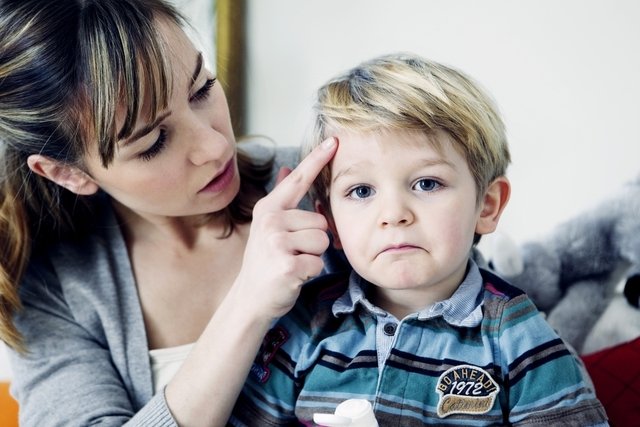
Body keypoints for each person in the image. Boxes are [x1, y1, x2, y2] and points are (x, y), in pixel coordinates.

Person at [0, 0, 342, 425]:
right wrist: (247, 303)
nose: (215, 147)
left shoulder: (335, 188)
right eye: (153, 142)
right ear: (66, 173)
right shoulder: (50, 287)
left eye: (201, 89)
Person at [230, 53, 609, 426]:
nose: (394, 214)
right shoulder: (303, 325)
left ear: (487, 206)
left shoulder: (522, 341)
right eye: (361, 191)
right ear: (328, 219)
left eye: (427, 183)